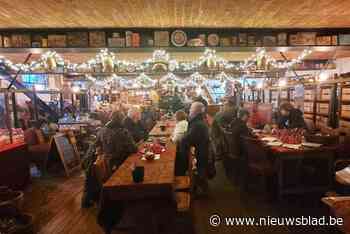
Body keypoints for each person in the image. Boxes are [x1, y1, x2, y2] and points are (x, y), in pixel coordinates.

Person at [177, 102, 210, 196]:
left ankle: (184, 187)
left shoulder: (197, 124)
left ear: (195, 111)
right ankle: (197, 186)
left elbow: (187, 139)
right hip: (201, 152)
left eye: (191, 109)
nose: (189, 110)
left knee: (177, 161)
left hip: (200, 155)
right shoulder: (198, 121)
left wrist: (182, 138)